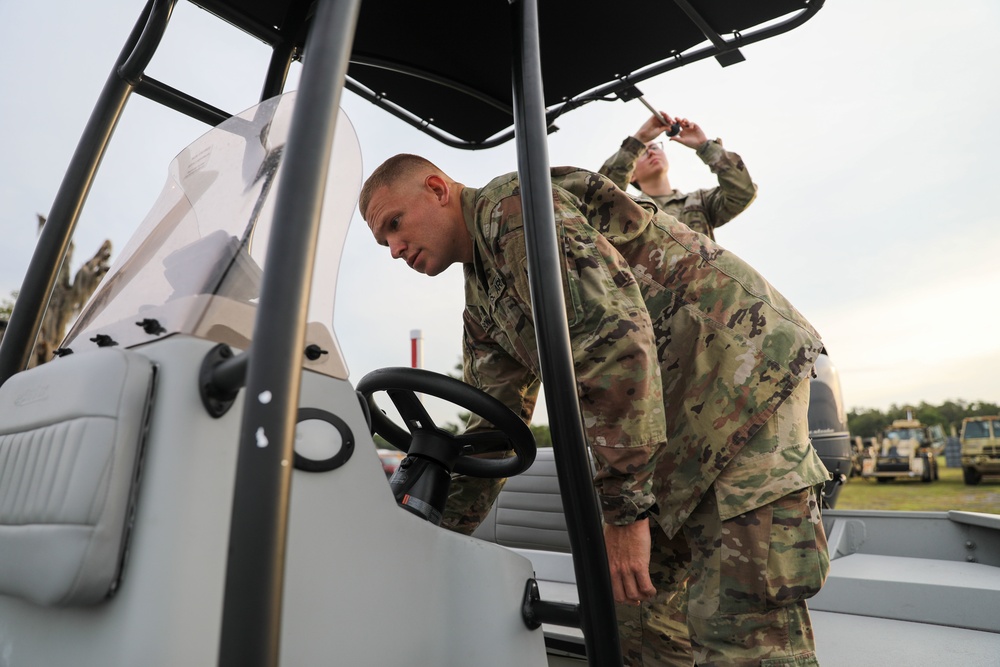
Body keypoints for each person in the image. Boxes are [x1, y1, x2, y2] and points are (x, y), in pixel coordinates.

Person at [360, 154, 831, 666]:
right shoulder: (483, 301)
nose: (394, 249)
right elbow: (493, 428)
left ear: (436, 189)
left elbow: (613, 345)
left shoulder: (516, 210)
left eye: (394, 224)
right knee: (632, 615)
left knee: (740, 625)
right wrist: (426, 539)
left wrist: (625, 513)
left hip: (740, 389)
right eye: (383, 241)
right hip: (665, 427)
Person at [600, 112, 757, 240]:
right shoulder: (632, 209)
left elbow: (743, 192)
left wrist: (705, 147)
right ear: (631, 174)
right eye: (643, 152)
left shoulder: (700, 202)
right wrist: (639, 139)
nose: (652, 152)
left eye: (654, 147)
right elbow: (599, 199)